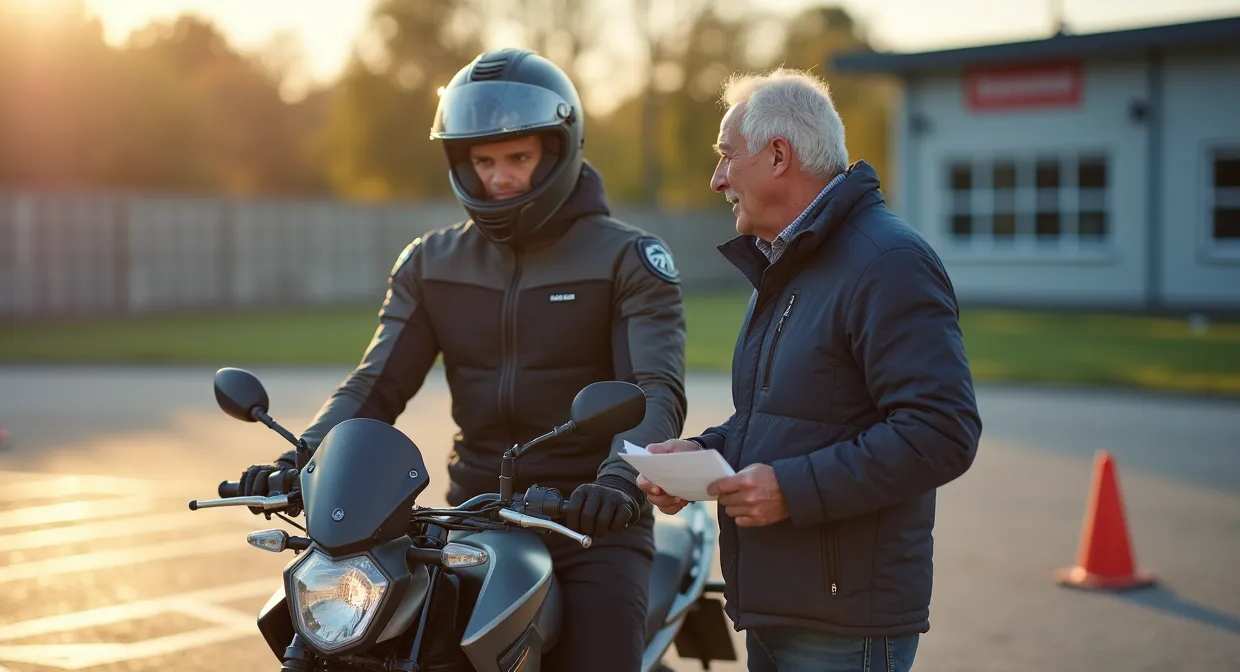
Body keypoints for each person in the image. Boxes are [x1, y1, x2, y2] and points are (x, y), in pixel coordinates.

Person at [237, 48, 687, 672]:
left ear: (558, 150)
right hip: (470, 516)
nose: (500, 178)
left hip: (589, 523)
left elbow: (653, 388)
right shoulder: (432, 262)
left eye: (518, 158)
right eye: (483, 161)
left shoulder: (626, 260)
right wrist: (303, 453)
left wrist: (617, 483)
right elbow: (377, 384)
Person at [637, 68, 981, 672]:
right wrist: (702, 456)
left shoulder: (888, 262)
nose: (717, 178)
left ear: (777, 155)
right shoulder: (791, 262)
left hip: (844, 627)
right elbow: (784, 419)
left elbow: (942, 432)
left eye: (725, 157)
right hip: (780, 608)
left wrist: (792, 491)